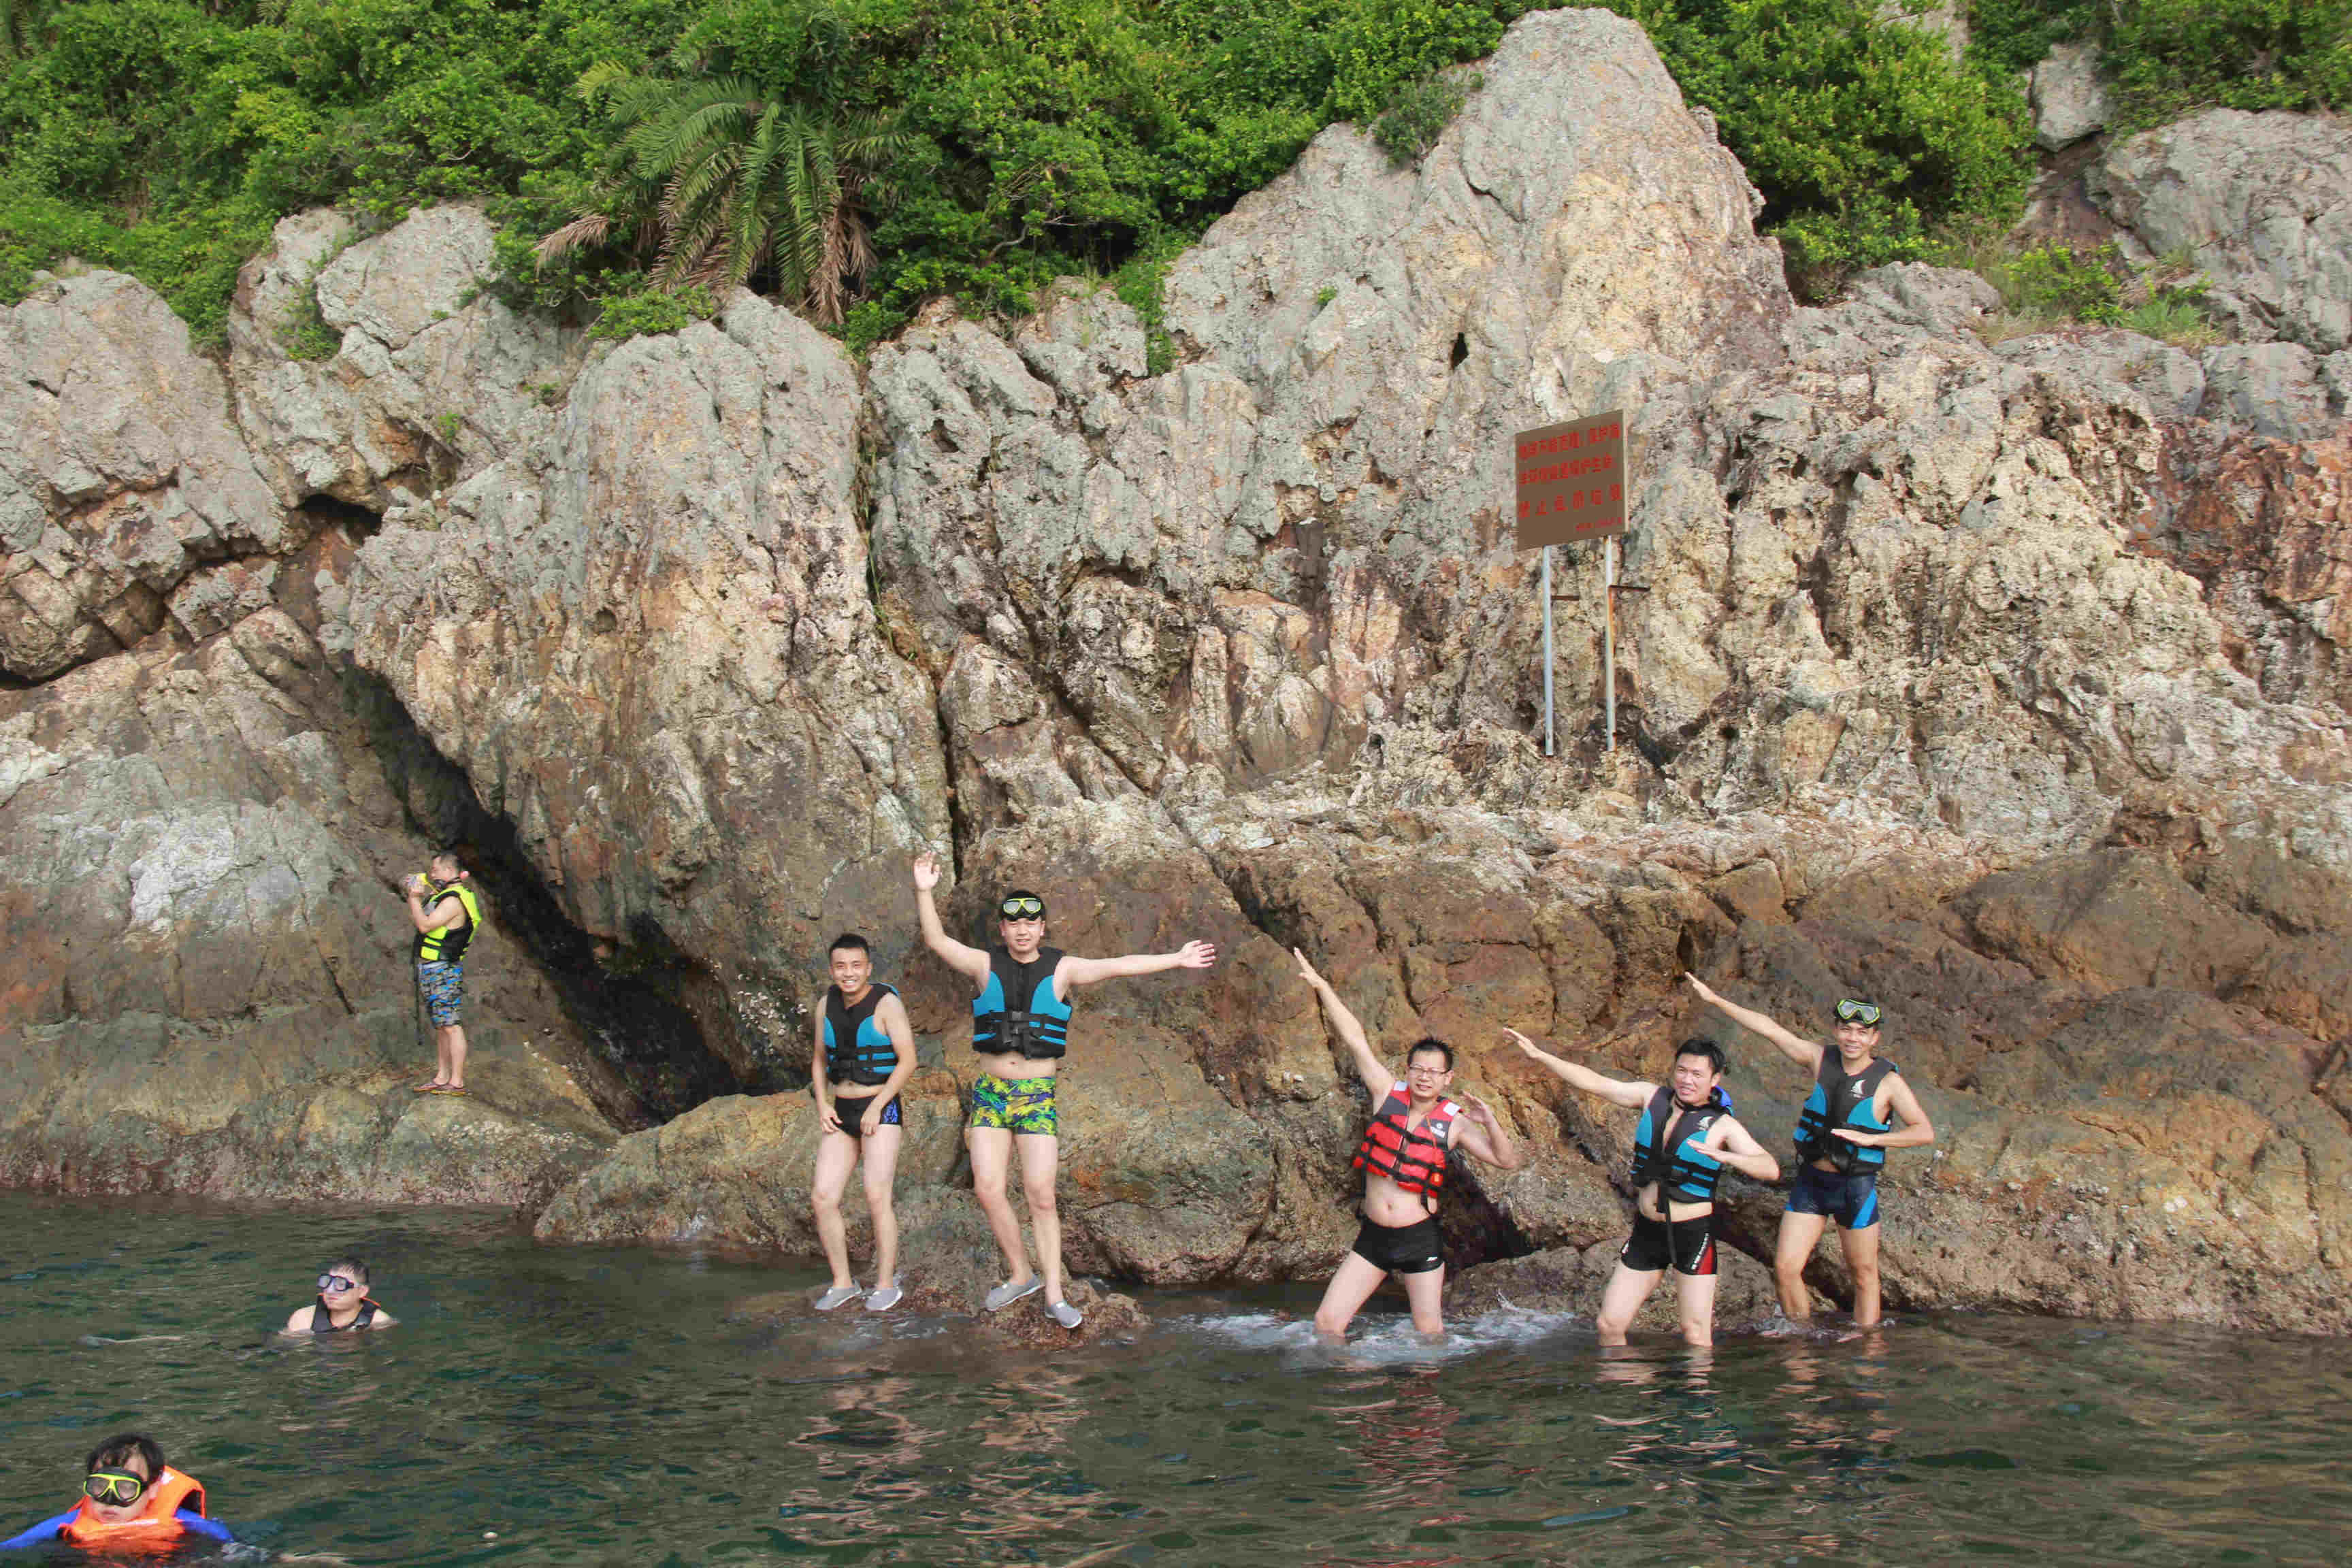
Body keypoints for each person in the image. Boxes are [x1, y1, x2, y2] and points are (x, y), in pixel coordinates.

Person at [911, 850, 1218, 1330]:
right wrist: (924, 891)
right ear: (1003, 930)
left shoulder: (1063, 969)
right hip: (991, 1091)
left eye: (1030, 924)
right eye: (1014, 924)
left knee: (1041, 1195)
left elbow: (1120, 965)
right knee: (988, 1189)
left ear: (1042, 929)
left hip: (1036, 1094)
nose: (1022, 931)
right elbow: (936, 940)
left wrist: (1176, 959)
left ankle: (1054, 1293)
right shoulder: (983, 964)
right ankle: (1021, 1274)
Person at [1682, 975, 1935, 1329]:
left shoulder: (1888, 1082)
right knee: (1786, 1268)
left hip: (1854, 1187)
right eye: (1846, 1030)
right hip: (1812, 1183)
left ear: (1874, 1038)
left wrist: (1873, 1140)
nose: (1853, 1038)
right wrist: (1715, 1000)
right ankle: (1803, 1336)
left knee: (1863, 1273)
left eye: (1862, 1033)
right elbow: (1770, 1030)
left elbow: (1923, 1132)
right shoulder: (1819, 1059)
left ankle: (1867, 1344)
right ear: (1836, 1031)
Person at [1295, 949, 1521, 1341]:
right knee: (1327, 1324)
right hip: (1373, 1237)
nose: (1425, 1077)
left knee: (1429, 1332)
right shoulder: (1385, 1093)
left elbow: (1507, 1161)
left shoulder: (1456, 1123)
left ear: (1447, 1079)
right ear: (1408, 1070)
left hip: (1418, 1238)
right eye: (1418, 1069)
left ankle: (1426, 1386)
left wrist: (1491, 1123)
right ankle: (1356, 1382)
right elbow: (1355, 1038)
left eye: (1434, 1072)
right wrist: (1321, 986)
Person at [1505, 1028, 1779, 1347]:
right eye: (1682, 1070)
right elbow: (1595, 1082)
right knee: (1609, 1324)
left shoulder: (1723, 1126)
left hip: (1691, 1234)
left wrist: (1727, 1156)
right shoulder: (1651, 1097)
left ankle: (1696, 1382)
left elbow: (1769, 1167)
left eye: (1697, 1074)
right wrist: (1540, 1055)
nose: (1687, 1080)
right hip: (1648, 1231)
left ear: (1714, 1080)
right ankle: (1634, 1380)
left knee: (1695, 1333)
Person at [809, 933, 917, 1313]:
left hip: (881, 1109)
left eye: (856, 965)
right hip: (842, 1109)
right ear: (832, 970)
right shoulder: (825, 1004)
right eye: (841, 966)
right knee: (823, 1197)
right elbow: (819, 1058)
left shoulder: (887, 1004)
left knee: (876, 1195)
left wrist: (878, 1105)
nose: (848, 973)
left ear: (868, 968)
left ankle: (885, 1285)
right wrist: (822, 1104)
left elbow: (908, 1060)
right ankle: (843, 1283)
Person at [1, 1433, 233, 1550]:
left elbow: (223, 1538)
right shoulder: (69, 1524)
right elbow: (16, 1545)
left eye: (125, 1488)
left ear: (153, 1488)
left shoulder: (181, 1520)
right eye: (100, 1487)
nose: (110, 1500)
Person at [404, 849, 480, 1096]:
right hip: (432, 967)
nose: (432, 874)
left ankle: (456, 1082)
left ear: (449, 871)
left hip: (443, 969)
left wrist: (413, 898)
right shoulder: (444, 896)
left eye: (436, 870)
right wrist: (418, 891)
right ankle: (442, 1077)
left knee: (451, 1025)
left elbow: (425, 925)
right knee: (441, 1025)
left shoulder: (453, 901)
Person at [282, 1257, 395, 1335]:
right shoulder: (304, 1319)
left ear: (362, 1291)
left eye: (341, 1285)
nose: (330, 1291)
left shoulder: (379, 1323)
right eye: (327, 1282)